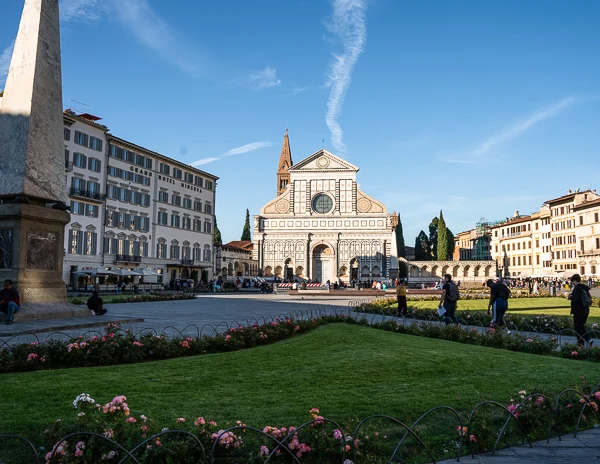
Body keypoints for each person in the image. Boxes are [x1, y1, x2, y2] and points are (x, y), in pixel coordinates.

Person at [569, 274, 593, 346]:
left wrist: (570, 297)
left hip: (579, 311)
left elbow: (576, 299)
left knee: (577, 327)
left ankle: (581, 342)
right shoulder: (584, 288)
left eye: (572, 281)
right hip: (585, 310)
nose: (572, 283)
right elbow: (589, 298)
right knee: (581, 326)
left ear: (575, 281)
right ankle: (588, 340)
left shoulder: (577, 288)